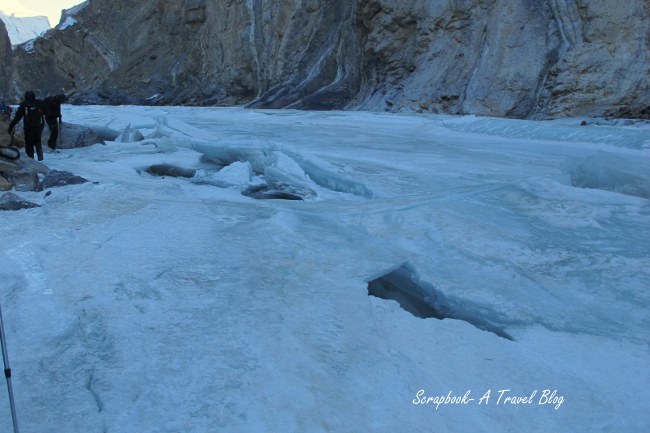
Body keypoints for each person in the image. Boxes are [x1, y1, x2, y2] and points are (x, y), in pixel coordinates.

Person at [7, 91, 45, 161]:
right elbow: (46, 112)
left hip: (29, 128)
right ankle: (41, 159)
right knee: (38, 142)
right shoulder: (40, 103)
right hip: (39, 127)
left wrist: (11, 127)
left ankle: (31, 160)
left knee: (29, 144)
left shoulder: (24, 104)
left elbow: (17, 117)